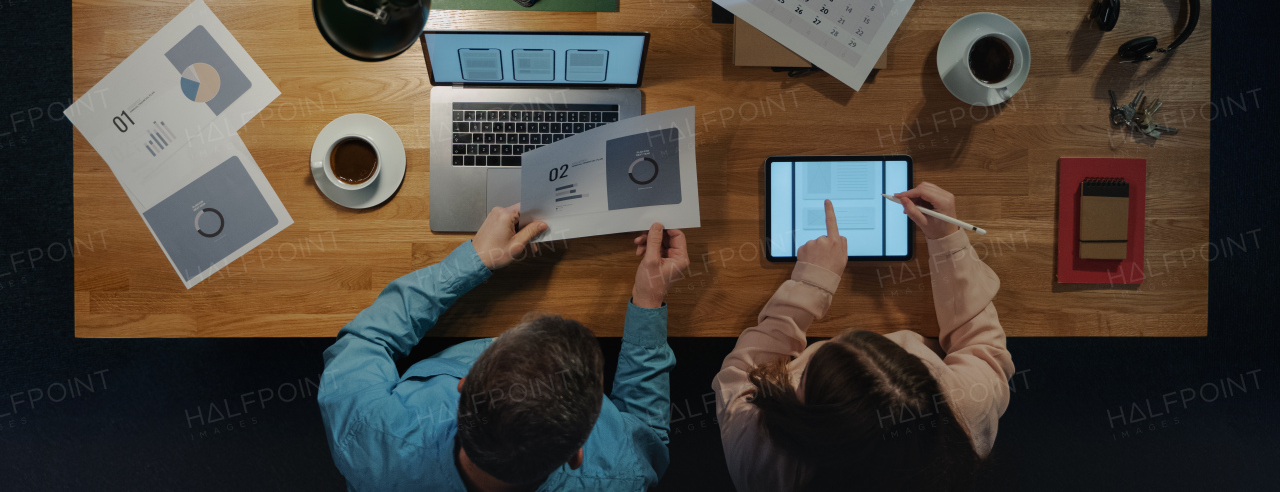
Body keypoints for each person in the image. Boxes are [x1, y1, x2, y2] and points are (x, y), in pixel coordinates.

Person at [319, 203, 689, 491]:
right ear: (578, 453)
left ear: (462, 386)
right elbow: (646, 432)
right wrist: (648, 301)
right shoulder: (622, 478)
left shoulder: (370, 441)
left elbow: (366, 340)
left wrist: (471, 260)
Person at [714, 182, 1015, 492]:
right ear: (925, 382)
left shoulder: (759, 456)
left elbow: (742, 374)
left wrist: (812, 282)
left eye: (806, 375)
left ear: (812, 419)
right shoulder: (961, 416)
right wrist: (947, 239)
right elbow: (982, 347)